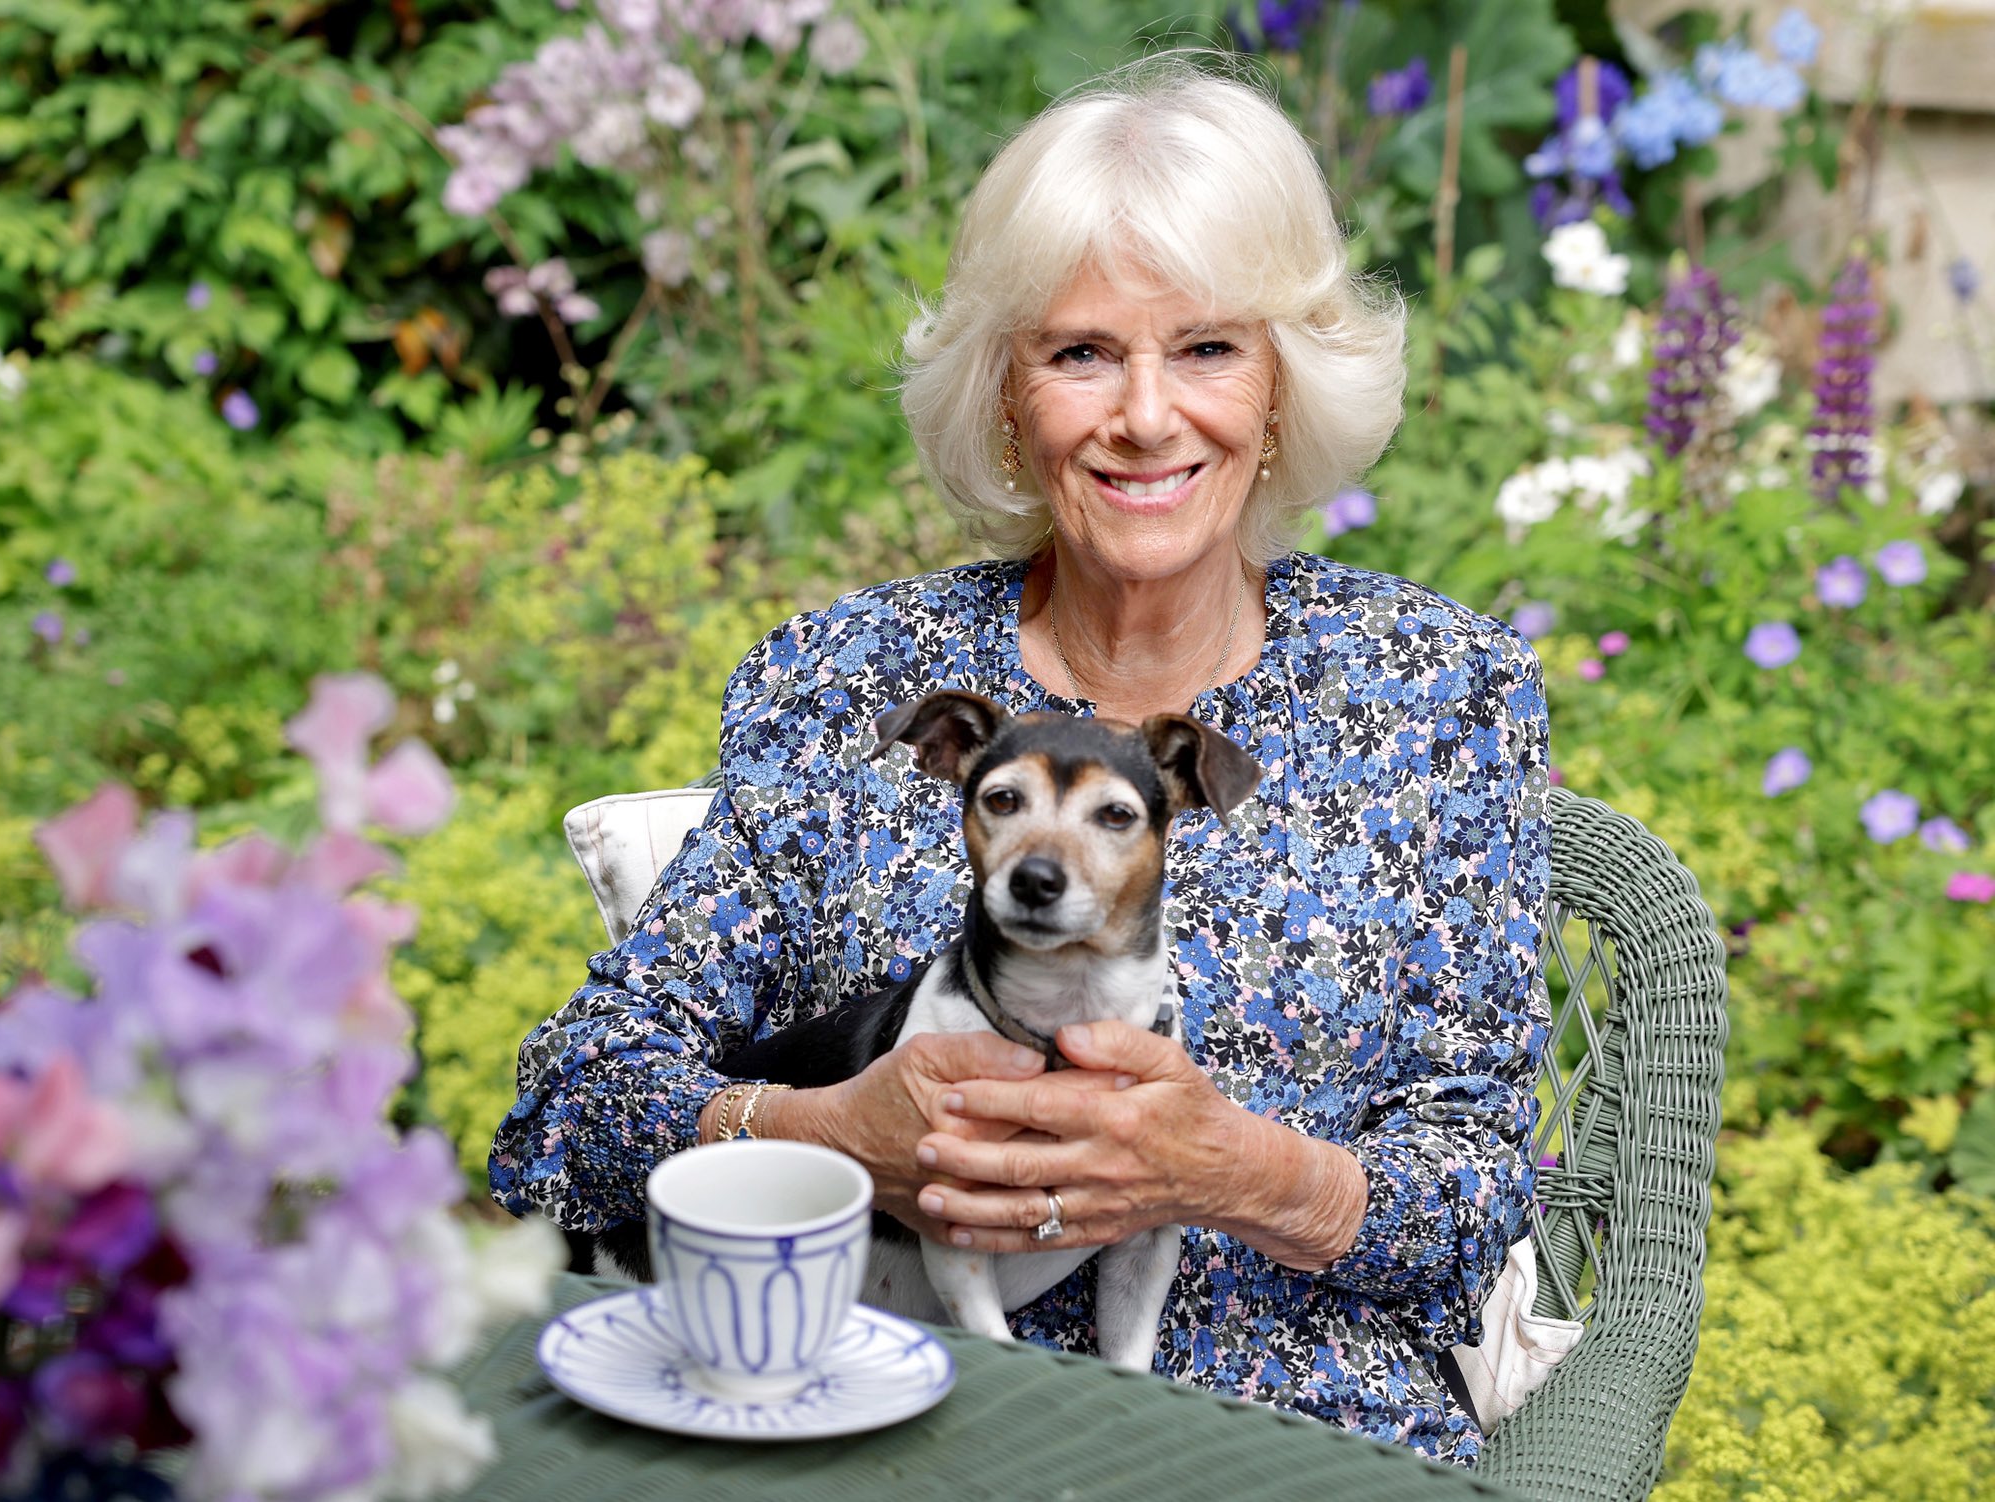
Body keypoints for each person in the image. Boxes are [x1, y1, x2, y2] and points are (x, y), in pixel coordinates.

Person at [490, 58, 1550, 1467]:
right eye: (1081, 353)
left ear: (1288, 383)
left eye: (1209, 349)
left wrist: (1239, 1168)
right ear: (1006, 394)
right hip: (867, 1404)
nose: (1146, 416)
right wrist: (816, 1130)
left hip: (1287, 1431)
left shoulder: (1439, 693)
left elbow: (1477, 1193)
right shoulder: (845, 681)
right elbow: (565, 1112)